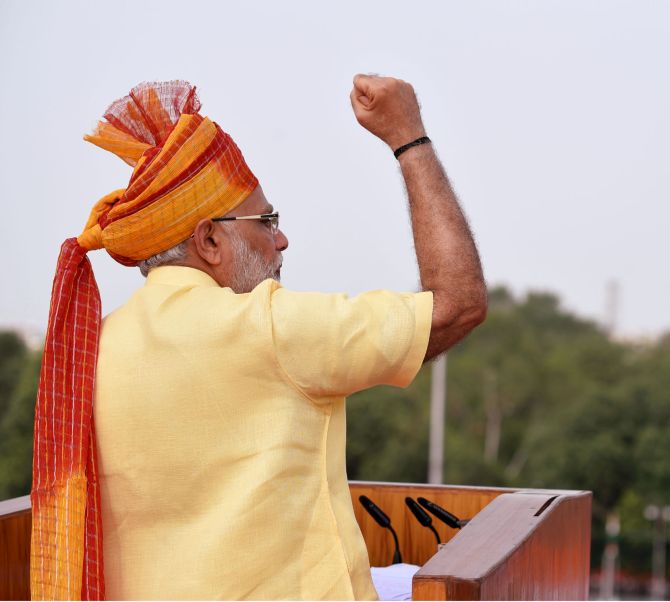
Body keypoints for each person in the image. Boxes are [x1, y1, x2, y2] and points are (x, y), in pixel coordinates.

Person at [31, 75, 486, 601]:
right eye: (266, 220)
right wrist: (409, 137)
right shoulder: (268, 328)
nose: (282, 238)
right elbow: (458, 304)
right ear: (209, 239)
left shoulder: (94, 348)